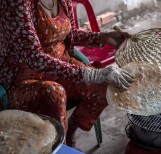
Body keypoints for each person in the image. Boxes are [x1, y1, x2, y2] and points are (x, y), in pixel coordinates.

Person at [0, 0, 134, 147]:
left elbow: (69, 34)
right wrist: (92, 74)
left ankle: (69, 130)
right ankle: (58, 146)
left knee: (105, 86)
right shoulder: (16, 4)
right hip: (23, 77)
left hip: (62, 65)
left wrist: (102, 37)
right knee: (55, 93)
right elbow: (34, 58)